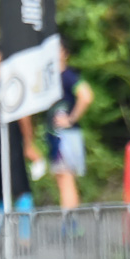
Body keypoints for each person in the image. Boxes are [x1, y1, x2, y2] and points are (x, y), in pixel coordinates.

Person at [0, 41, 42, 244]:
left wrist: (29, 144)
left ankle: (25, 236)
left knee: (21, 189)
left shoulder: (11, 82)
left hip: (12, 146)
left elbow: (23, 116)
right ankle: (3, 237)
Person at [48, 35, 94, 212]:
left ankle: (71, 225)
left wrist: (71, 118)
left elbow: (86, 95)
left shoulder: (67, 76)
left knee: (66, 179)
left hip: (66, 136)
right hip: (57, 136)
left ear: (64, 53)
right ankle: (69, 223)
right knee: (63, 179)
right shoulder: (51, 79)